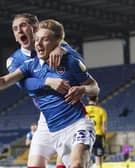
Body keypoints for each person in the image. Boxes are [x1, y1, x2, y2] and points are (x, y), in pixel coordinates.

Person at [0, 19, 100, 168]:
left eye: (45, 40)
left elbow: (94, 87)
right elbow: (4, 81)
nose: (39, 45)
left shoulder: (70, 62)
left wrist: (83, 89)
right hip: (51, 130)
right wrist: (48, 81)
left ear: (57, 42)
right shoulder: (29, 66)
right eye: (37, 40)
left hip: (77, 124)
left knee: (77, 164)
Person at [8, 13, 74, 168]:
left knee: (64, 163)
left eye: (23, 25)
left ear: (36, 28)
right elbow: (23, 84)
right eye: (15, 29)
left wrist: (62, 47)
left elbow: (78, 65)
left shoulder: (58, 47)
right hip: (46, 113)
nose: (19, 31)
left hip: (68, 109)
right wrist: (48, 81)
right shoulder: (15, 60)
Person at [85, 96, 107, 168]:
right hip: (98, 136)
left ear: (88, 98)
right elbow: (104, 128)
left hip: (86, 136)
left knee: (85, 159)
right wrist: (104, 138)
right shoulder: (101, 111)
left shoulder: (84, 109)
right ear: (97, 99)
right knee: (98, 159)